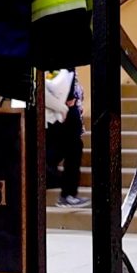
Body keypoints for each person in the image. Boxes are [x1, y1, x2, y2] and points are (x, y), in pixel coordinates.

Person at [44, 68, 88, 208]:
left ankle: (67, 193)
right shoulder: (55, 63)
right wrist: (62, 107)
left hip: (66, 111)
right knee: (64, 150)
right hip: (59, 113)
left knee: (72, 149)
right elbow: (45, 87)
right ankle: (67, 193)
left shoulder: (67, 64)